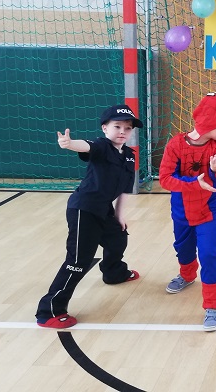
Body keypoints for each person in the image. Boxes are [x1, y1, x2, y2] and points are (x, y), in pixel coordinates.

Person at [36, 104, 143, 329]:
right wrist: (69, 144)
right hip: (83, 210)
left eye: (127, 128)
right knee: (78, 261)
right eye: (117, 126)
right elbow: (86, 146)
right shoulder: (102, 146)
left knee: (118, 238)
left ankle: (114, 273)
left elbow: (125, 189)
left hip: (104, 209)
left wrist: (119, 215)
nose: (122, 131)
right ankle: (49, 310)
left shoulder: (129, 156)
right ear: (105, 128)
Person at [159, 93, 216, 331]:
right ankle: (187, 275)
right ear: (210, 121)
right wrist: (193, 183)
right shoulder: (175, 145)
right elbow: (165, 179)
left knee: (209, 254)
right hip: (181, 210)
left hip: (209, 211)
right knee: (183, 247)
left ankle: (212, 306)